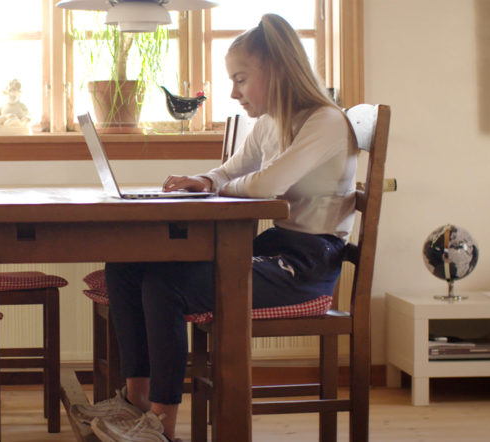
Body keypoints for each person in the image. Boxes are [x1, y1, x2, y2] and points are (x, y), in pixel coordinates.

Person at [72, 13, 357, 442]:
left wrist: (225, 183)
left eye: (241, 79)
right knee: (127, 265)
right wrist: (206, 181)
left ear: (276, 70)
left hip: (306, 267)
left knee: (165, 286)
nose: (233, 92)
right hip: (271, 249)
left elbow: (266, 185)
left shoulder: (325, 121)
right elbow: (233, 170)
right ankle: (135, 402)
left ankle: (160, 426)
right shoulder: (270, 123)